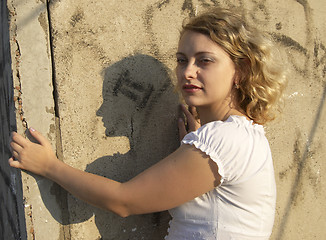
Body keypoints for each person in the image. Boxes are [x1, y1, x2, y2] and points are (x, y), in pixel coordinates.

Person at [9, 7, 286, 240]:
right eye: (181, 60)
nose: (188, 71)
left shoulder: (224, 140)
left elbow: (123, 201)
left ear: (242, 70)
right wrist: (194, 144)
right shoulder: (239, 136)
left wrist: (49, 166)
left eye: (205, 61)